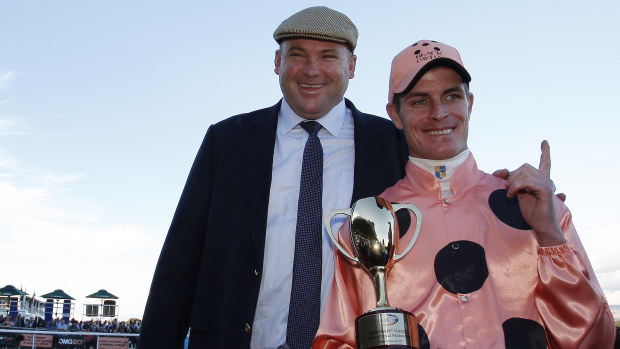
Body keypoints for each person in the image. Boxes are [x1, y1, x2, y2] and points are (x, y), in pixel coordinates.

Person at [313, 40, 616, 348]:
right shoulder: (367, 226)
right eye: (420, 101)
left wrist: (550, 236)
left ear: (469, 103)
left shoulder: (538, 207)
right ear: (395, 114)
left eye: (452, 96)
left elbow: (599, 339)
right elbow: (336, 340)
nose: (439, 113)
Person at [138, 6, 409, 349]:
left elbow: (445, 202)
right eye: (296, 54)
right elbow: (179, 263)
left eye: (328, 56)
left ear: (351, 66)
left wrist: (498, 188)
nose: (311, 70)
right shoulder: (228, 141)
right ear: (278, 62)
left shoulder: (393, 145)